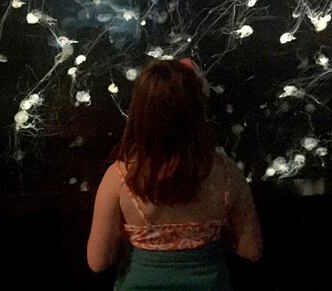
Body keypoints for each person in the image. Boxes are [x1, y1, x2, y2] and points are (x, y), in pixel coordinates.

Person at [87, 59, 263, 290]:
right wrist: (210, 231)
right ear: (198, 107)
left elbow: (98, 262)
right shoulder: (227, 172)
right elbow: (252, 250)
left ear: (140, 110)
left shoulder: (120, 177)